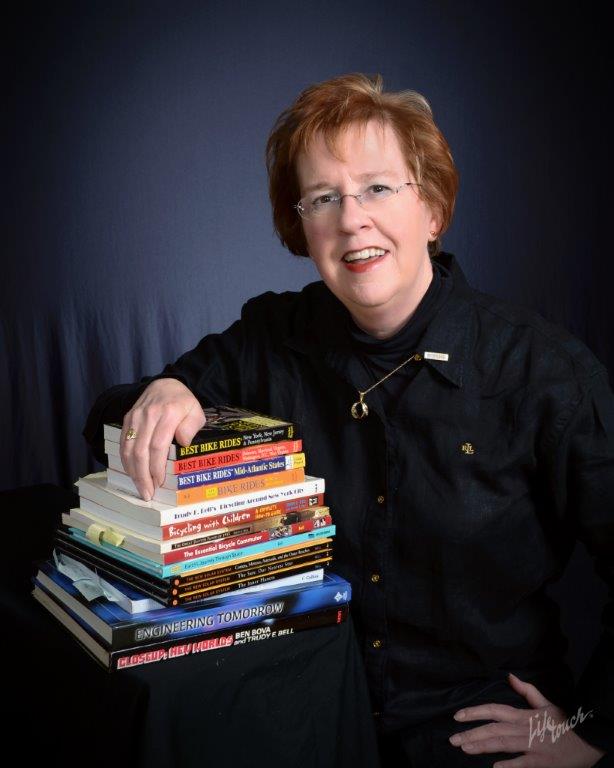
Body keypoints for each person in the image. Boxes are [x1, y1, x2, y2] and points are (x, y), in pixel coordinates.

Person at [84, 73, 614, 767]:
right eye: (324, 198)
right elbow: (151, 397)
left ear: (431, 208)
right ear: (301, 227)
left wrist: (589, 734)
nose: (351, 218)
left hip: (477, 727)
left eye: (377, 188)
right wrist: (169, 386)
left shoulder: (546, 374)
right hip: (310, 712)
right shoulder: (276, 332)